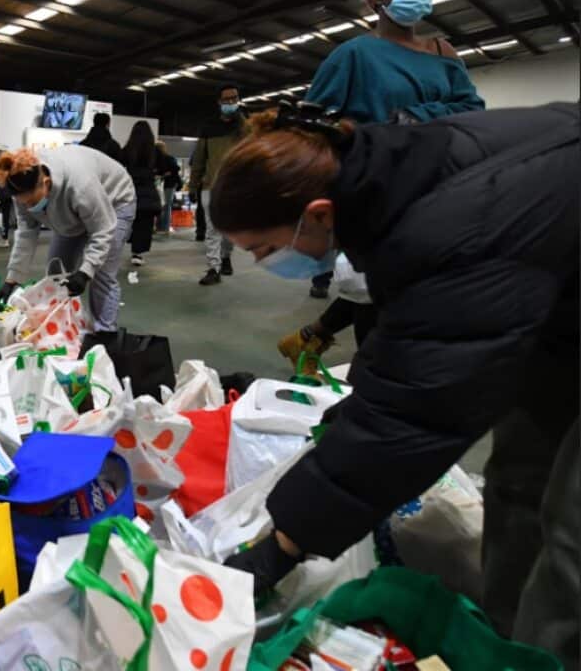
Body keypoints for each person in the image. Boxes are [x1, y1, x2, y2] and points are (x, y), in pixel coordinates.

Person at [212, 102, 579, 664]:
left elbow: (419, 410)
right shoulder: (393, 186)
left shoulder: (457, 221)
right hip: (557, 315)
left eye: (264, 249)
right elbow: (414, 332)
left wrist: (284, 545)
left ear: (317, 214)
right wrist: (355, 413)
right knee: (519, 485)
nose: (264, 262)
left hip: (554, 305)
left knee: (571, 546)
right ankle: (502, 645)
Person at [285, 0, 487, 370]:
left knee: (422, 300)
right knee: (380, 314)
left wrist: (413, 117)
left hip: (438, 191)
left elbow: (472, 109)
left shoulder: (443, 52)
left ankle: (312, 340)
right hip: (378, 195)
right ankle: (368, 385)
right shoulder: (354, 55)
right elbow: (312, 126)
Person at [0, 146, 136, 332]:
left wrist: (85, 272)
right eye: (24, 203)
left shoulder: (81, 185)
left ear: (46, 182)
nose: (29, 207)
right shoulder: (21, 187)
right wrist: (12, 279)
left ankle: (105, 333)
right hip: (72, 211)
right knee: (56, 272)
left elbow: (103, 229)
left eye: (32, 202)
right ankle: (60, 327)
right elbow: (26, 232)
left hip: (115, 201)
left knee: (102, 274)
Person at [189, 84, 244, 285]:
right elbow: (198, 159)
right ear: (219, 102)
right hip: (211, 186)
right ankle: (214, 268)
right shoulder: (208, 128)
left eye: (234, 98)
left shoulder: (245, 127)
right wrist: (193, 185)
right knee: (212, 229)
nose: (231, 102)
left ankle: (226, 256)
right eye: (227, 99)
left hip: (235, 188)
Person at [123, 121, 159, 266]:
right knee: (144, 223)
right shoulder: (154, 150)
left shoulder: (127, 149)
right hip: (148, 190)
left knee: (128, 220)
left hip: (130, 188)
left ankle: (123, 244)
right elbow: (169, 166)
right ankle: (137, 253)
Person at [154, 140, 181, 235]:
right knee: (167, 206)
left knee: (159, 206)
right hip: (168, 185)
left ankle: (159, 227)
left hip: (159, 184)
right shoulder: (169, 158)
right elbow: (176, 169)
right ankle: (165, 228)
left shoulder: (153, 159)